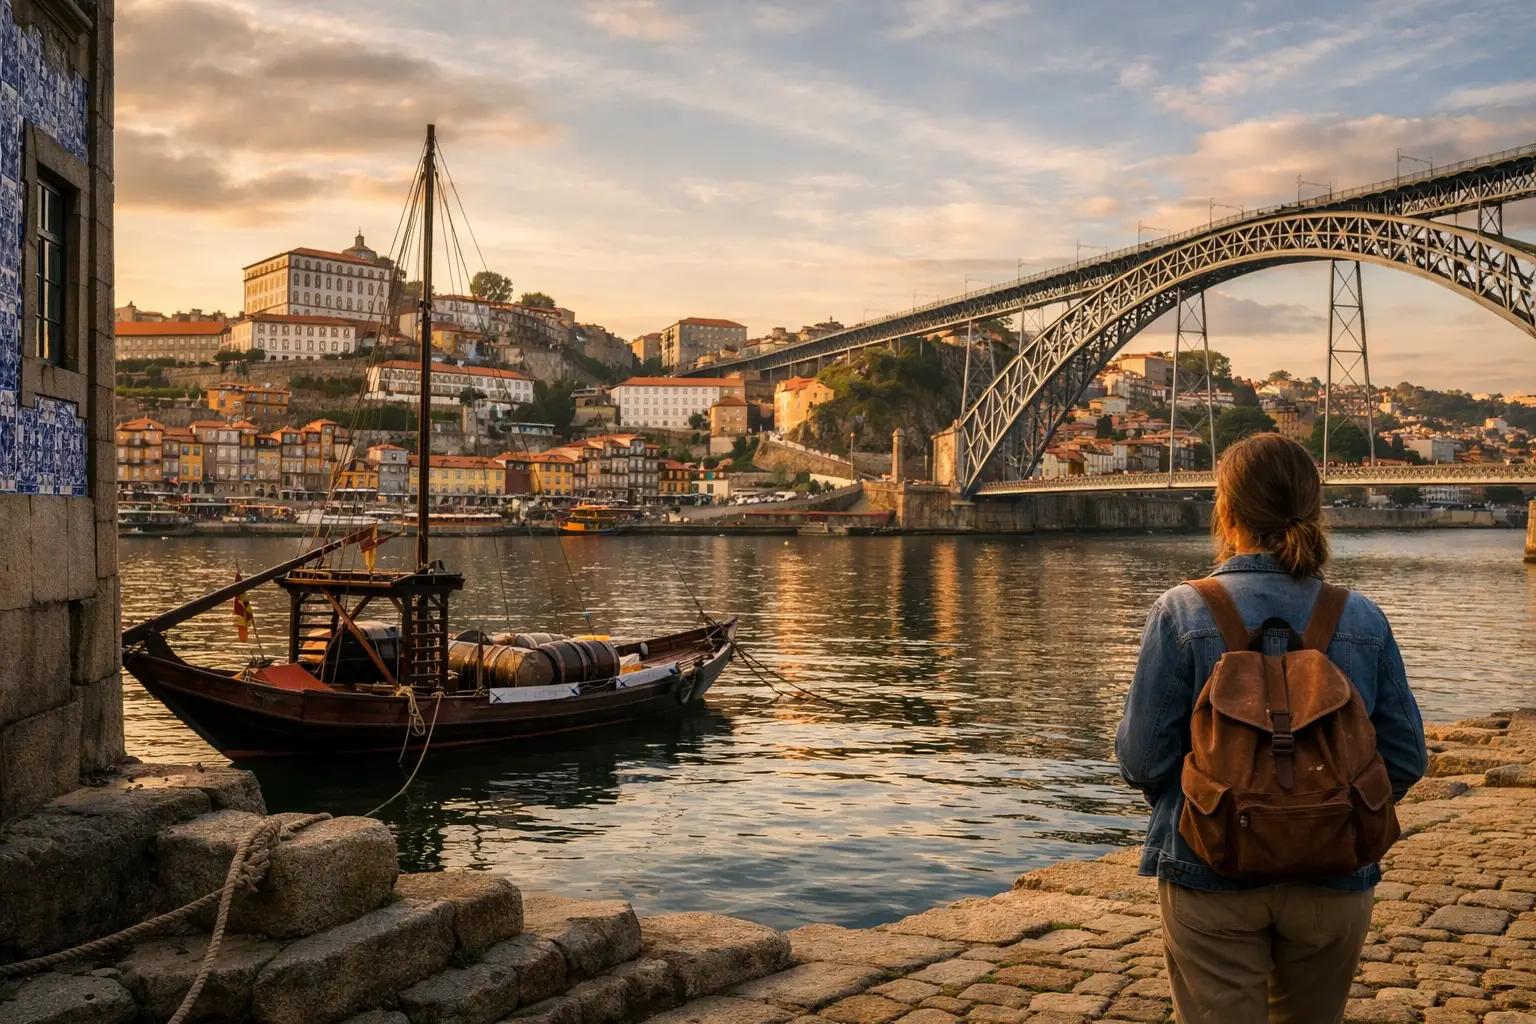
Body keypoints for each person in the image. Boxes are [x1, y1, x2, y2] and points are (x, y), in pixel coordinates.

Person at [1115, 432, 1427, 1024]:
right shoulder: (1361, 617)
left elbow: (1141, 761)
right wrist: (1330, 813)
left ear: (1227, 512)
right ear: (1313, 509)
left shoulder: (1180, 611)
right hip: (1334, 880)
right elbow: (1407, 757)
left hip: (1207, 869)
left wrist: (1217, 808)